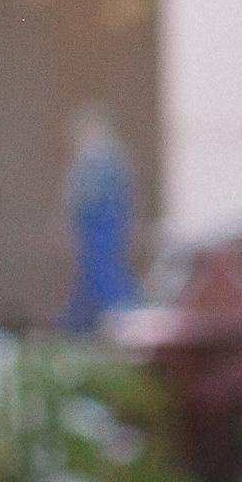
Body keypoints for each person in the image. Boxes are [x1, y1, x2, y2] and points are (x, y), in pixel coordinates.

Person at [60, 106, 138, 332]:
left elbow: (87, 195)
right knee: (92, 277)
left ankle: (124, 317)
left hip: (100, 227)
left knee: (103, 274)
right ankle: (77, 325)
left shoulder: (101, 158)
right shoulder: (101, 158)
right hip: (95, 228)